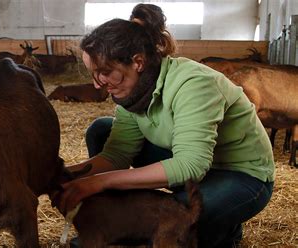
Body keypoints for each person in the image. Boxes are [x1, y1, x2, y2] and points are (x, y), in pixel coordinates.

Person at [56, 3, 275, 247]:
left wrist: (98, 182)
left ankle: (226, 228)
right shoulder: (133, 92)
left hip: (240, 175)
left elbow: (191, 166)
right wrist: (62, 176)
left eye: (105, 71)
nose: (98, 84)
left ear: (138, 62)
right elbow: (118, 154)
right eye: (93, 73)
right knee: (102, 129)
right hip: (193, 162)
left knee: (173, 218)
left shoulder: (193, 84)